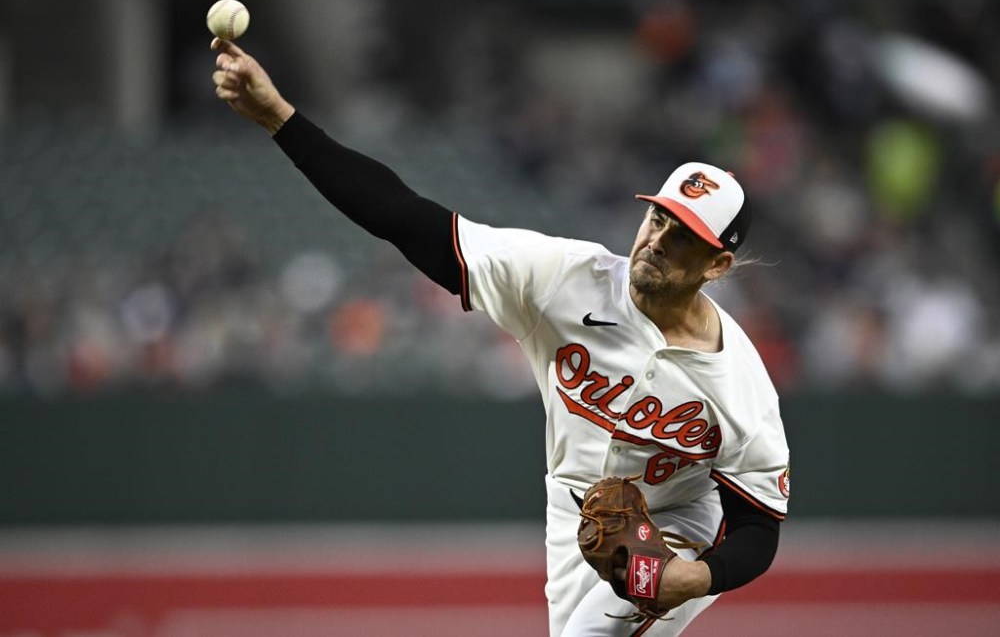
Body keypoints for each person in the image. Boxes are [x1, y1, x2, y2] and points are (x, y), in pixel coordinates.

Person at [211, 37, 790, 637]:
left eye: (686, 235)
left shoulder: (739, 381)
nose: (659, 239)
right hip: (572, 511)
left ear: (717, 265)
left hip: (677, 524)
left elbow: (759, 527)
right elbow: (403, 215)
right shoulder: (566, 280)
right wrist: (281, 119)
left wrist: (694, 576)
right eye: (659, 217)